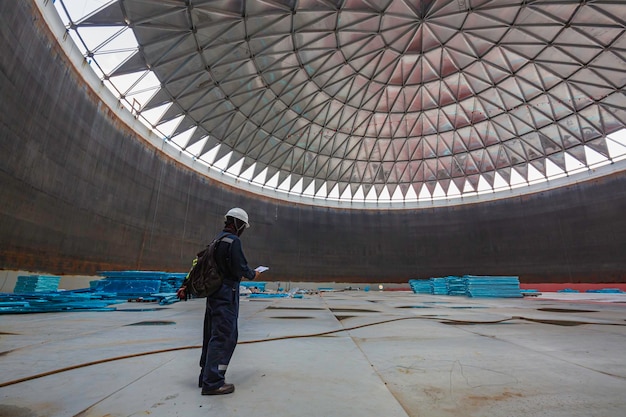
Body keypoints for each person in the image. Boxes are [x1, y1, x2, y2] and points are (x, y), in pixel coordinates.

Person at [186, 207, 260, 395]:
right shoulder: (233, 241)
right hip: (227, 293)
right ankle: (214, 382)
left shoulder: (216, 240)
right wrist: (254, 274)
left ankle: (205, 376)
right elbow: (241, 266)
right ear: (239, 225)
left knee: (211, 334)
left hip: (214, 294)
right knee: (225, 336)